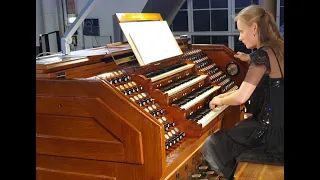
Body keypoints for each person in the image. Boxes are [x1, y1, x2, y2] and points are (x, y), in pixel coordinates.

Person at [200, 5, 284, 180]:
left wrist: (219, 100)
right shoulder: (278, 48)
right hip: (280, 126)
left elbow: (241, 97)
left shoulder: (262, 55)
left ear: (254, 28)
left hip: (272, 136)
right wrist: (223, 95)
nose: (240, 37)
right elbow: (260, 87)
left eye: (241, 31)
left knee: (214, 143)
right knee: (239, 129)